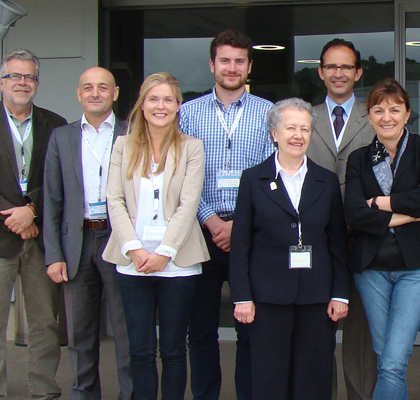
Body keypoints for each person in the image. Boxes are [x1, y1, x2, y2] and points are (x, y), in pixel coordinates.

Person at [0, 48, 67, 400]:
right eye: (15, 76)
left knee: (44, 324)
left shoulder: (55, 124)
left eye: (29, 77)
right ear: (1, 81)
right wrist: (16, 217)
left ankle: (44, 392)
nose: (22, 82)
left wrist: (31, 209)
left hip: (40, 238)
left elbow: (60, 176)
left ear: (37, 83)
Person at [229, 98, 350, 399]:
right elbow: (241, 243)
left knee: (313, 379)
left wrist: (340, 293)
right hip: (267, 298)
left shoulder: (327, 180)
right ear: (274, 133)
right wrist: (242, 296)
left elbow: (337, 242)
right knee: (269, 379)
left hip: (317, 297)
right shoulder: (253, 179)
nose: (298, 135)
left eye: (305, 129)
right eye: (290, 128)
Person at [345, 78, 420, 399]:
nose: (387, 117)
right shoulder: (358, 158)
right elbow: (353, 213)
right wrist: (406, 213)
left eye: (395, 109)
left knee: (393, 360)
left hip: (417, 266)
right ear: (369, 116)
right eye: (378, 110)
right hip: (372, 268)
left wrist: (377, 203)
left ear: (408, 114)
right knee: (387, 358)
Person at [178, 29, 275, 400]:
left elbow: (273, 175)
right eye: (224, 60)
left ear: (249, 65)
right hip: (200, 231)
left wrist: (239, 224)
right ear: (211, 65)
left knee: (250, 327)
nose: (231, 67)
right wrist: (211, 219)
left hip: (252, 233)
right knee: (200, 329)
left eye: (239, 61)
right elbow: (181, 177)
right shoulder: (187, 114)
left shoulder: (269, 113)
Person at [102, 72, 209, 400]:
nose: (160, 106)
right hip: (131, 261)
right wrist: (133, 249)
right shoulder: (122, 145)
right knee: (140, 350)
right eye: (153, 99)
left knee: (174, 350)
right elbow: (114, 199)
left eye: (167, 99)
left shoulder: (192, 147)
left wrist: (164, 251)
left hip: (177, 262)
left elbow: (189, 204)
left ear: (178, 106)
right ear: (142, 104)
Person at [42, 66, 133, 400]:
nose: (96, 93)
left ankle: (131, 394)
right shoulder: (61, 137)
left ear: (115, 93)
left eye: (103, 87)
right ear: (79, 94)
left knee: (126, 330)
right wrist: (53, 255)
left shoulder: (131, 133)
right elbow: (51, 200)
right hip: (75, 244)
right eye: (88, 88)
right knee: (80, 335)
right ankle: (84, 395)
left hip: (120, 240)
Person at [305, 38, 378, 400]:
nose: (338, 73)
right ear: (320, 72)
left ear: (358, 72)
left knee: (361, 335)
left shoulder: (376, 115)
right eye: (331, 67)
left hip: (362, 239)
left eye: (346, 67)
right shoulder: (304, 117)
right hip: (314, 242)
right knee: (317, 332)